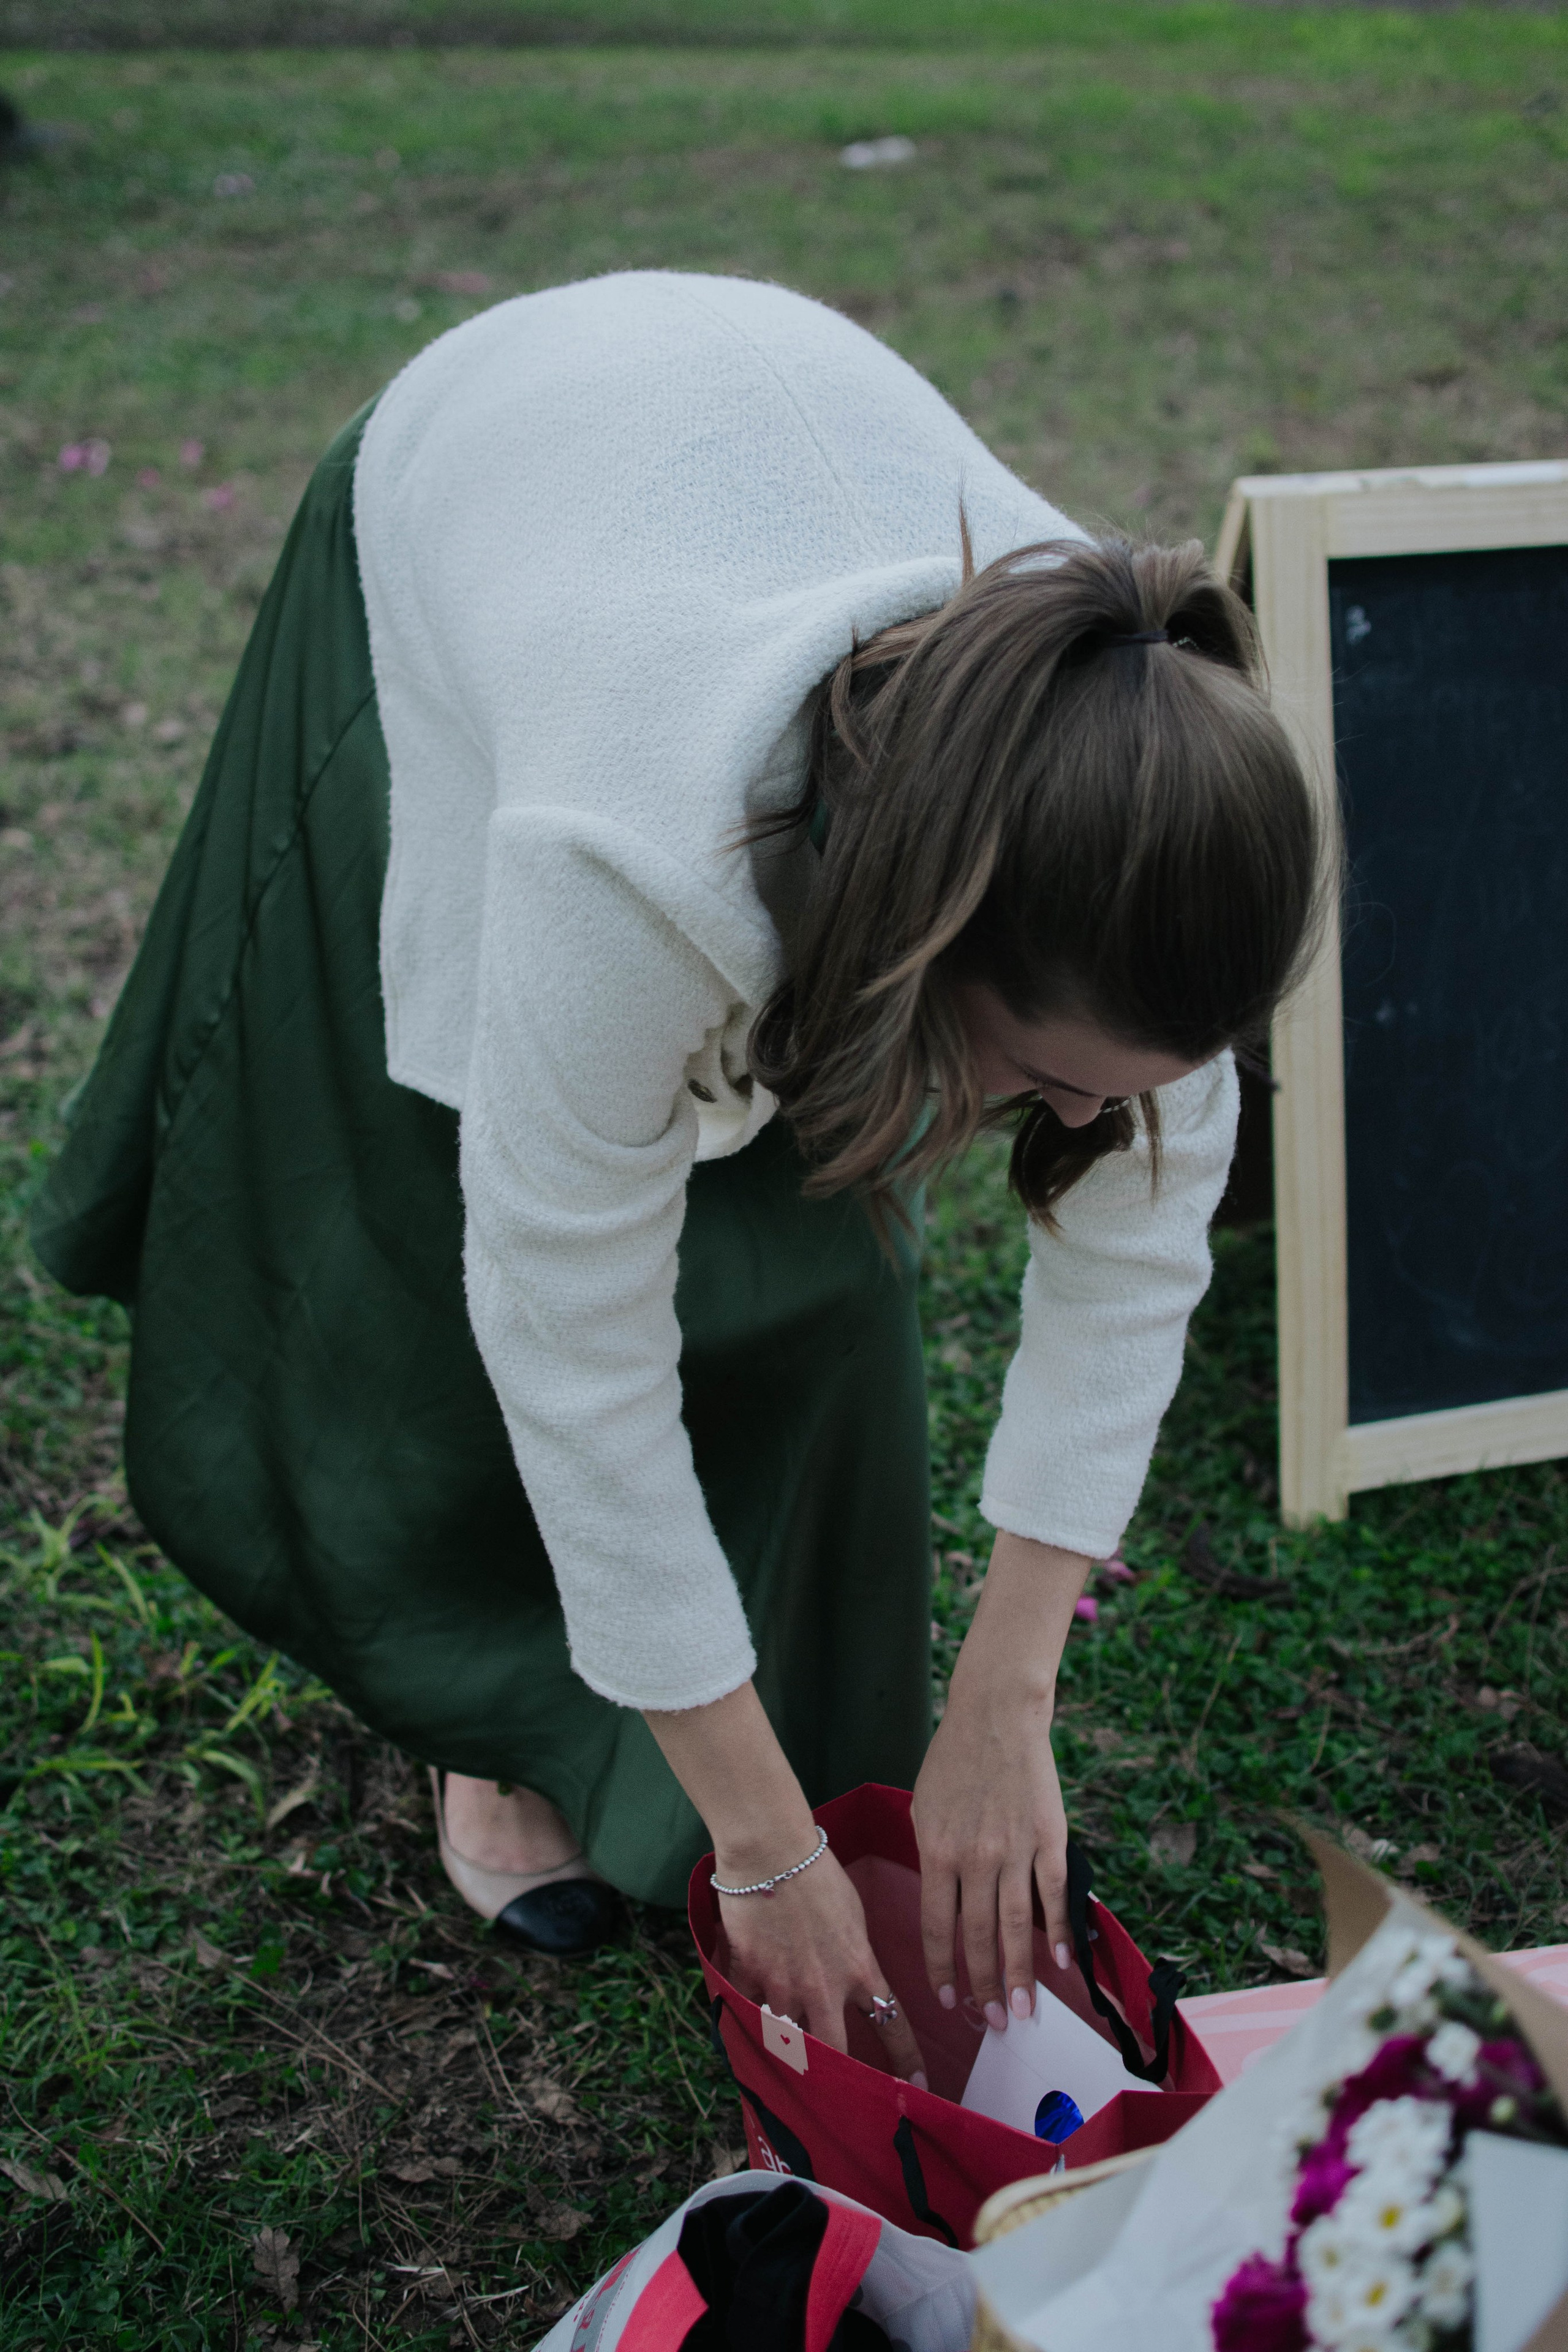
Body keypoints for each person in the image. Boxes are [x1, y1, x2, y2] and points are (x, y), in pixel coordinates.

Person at [32, 272, 1325, 2089]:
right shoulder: (625, 852)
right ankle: (497, 1723)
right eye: (1039, 1085)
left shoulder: (1168, 846)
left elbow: (1134, 1269)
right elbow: (569, 1340)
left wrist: (1008, 1700)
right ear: (936, 945)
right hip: (476, 504)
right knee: (452, 1228)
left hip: (744, 485)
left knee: (824, 1268)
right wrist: (770, 1851)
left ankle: (706, 1723)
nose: (1067, 1127)